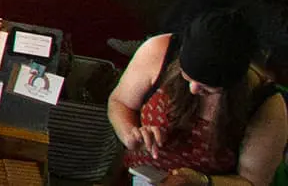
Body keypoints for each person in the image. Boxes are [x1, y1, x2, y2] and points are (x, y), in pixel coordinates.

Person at [109, 10, 288, 184]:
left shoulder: (265, 105)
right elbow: (120, 102)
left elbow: (253, 181)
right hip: (140, 176)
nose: (193, 89)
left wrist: (201, 181)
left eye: (208, 89)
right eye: (186, 78)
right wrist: (129, 133)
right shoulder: (159, 51)